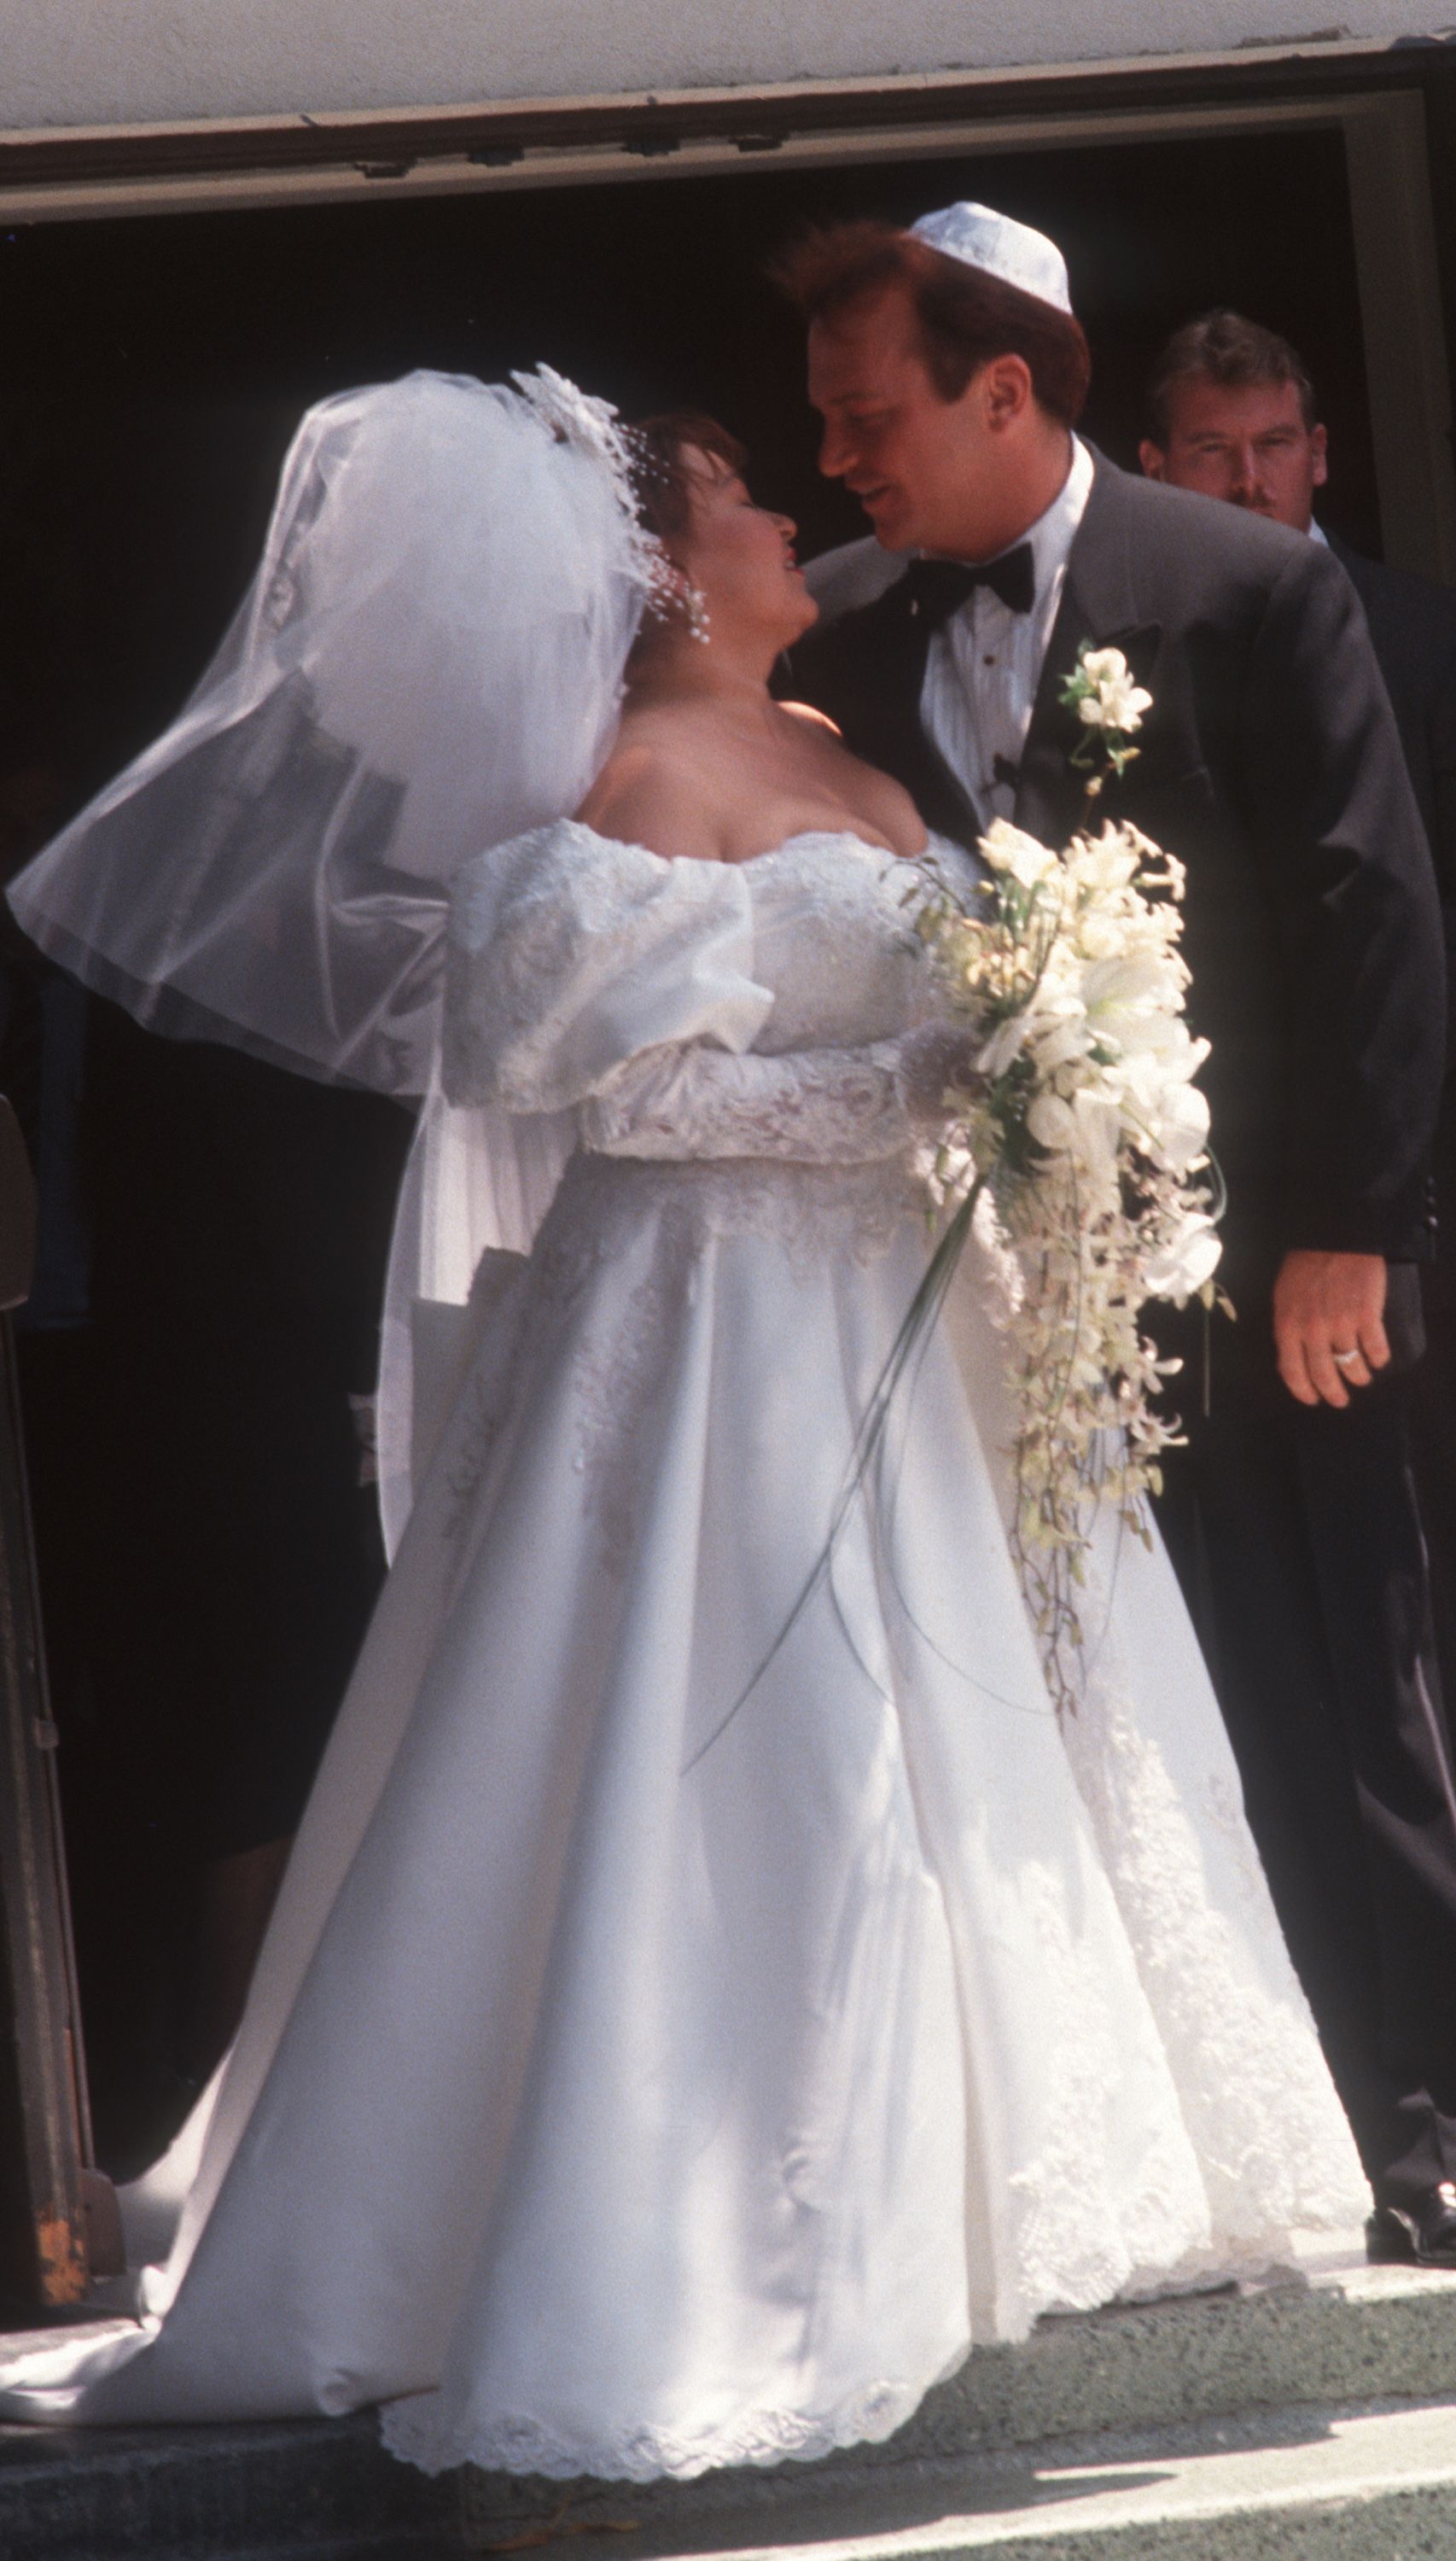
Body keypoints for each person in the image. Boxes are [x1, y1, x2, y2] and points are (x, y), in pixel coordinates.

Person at [0, 368, 1366, 2470]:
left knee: (991, 1735)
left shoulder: (834, 747)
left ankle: (1042, 2163)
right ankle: (740, 2215)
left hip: (922, 1336)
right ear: (661, 570)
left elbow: (938, 993)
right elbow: (623, 1101)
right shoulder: (622, 788)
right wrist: (943, 1094)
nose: (788, 516)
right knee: (759, 1740)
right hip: (727, 1339)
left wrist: (1050, 1082)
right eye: (740, 499)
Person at [779, 202, 1456, 2268]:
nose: (837, 456)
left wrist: (1355, 1225)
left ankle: (1424, 2129)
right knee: (1070, 1703)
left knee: (1340, 1670)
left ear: (1002, 390)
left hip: (1264, 1253)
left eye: (866, 416)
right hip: (979, 1287)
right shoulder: (833, 634)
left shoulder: (1251, 584)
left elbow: (1379, 913)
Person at [1140, 309, 1456, 2090]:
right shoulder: (1125, 646)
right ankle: (1341, 2021)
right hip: (1178, 1242)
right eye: (1215, 453)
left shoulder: (1454, 644)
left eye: (1280, 445)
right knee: (1252, 1635)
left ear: (1322, 448)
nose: (1253, 481)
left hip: (1426, 1237)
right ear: (1156, 465)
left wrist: (1332, 1128)